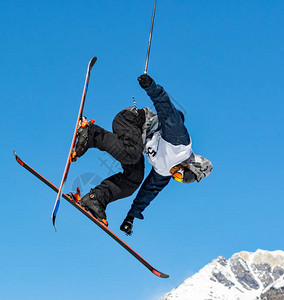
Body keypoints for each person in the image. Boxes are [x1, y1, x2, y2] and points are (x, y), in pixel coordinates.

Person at [72, 74, 213, 235]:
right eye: (180, 175)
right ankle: (91, 134)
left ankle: (96, 199)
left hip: (135, 141)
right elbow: (167, 110)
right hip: (130, 120)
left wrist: (131, 217)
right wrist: (151, 87)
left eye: (178, 180)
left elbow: (148, 192)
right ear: (187, 164)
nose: (175, 176)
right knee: (132, 154)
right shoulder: (179, 143)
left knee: (134, 180)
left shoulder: (165, 172)